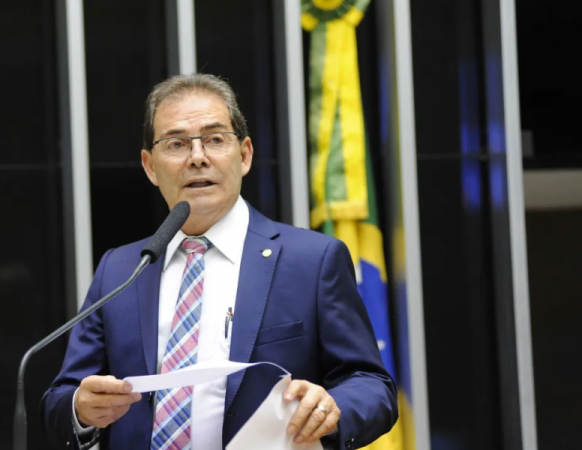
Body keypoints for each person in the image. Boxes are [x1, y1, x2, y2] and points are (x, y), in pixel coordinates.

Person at [41, 74, 397, 450]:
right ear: (150, 166)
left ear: (244, 155)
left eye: (214, 139)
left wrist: (332, 408)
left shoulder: (312, 261)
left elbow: (372, 386)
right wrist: (80, 410)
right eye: (176, 144)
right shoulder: (121, 269)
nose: (198, 157)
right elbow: (61, 398)